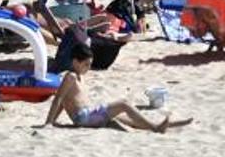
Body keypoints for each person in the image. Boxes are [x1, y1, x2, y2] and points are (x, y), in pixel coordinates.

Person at [43, 43, 193, 131]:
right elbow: (58, 99)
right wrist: (49, 123)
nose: (88, 68)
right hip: (85, 117)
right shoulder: (70, 76)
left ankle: (156, 125)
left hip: (87, 115)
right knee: (123, 104)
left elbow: (65, 103)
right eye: (86, 65)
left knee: (122, 116)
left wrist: (55, 121)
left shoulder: (78, 77)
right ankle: (155, 127)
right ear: (75, 62)